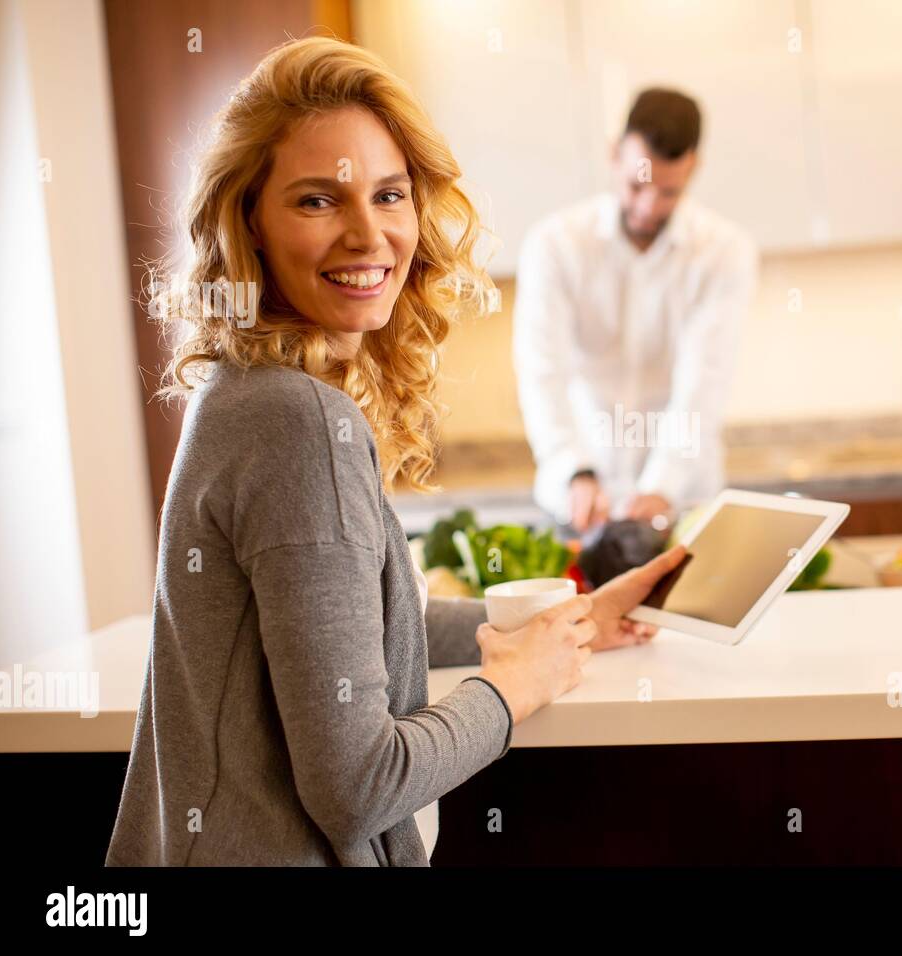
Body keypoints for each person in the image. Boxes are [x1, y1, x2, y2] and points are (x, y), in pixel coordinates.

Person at [104, 37, 686, 867]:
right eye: (316, 201)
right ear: (251, 225)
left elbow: (349, 633)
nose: (368, 234)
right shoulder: (298, 422)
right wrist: (515, 686)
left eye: (389, 194)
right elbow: (358, 787)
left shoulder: (243, 393)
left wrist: (566, 623)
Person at [512, 87, 759, 534]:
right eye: (636, 185)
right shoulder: (556, 245)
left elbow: (705, 379)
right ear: (614, 154)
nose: (648, 207)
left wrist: (662, 485)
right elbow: (543, 371)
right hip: (582, 500)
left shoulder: (725, 252)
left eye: (669, 191)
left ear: (693, 169)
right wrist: (574, 470)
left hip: (682, 500)